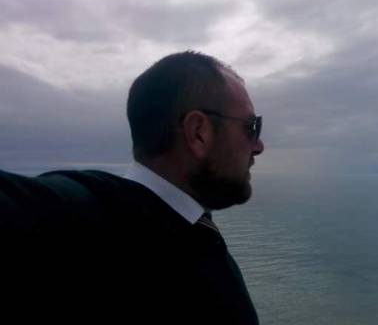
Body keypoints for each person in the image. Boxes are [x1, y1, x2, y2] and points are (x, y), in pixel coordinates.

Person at [0, 51, 264, 324]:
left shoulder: (198, 233)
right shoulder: (84, 218)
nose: (259, 146)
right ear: (199, 132)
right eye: (251, 127)